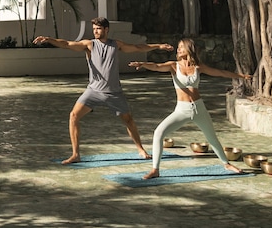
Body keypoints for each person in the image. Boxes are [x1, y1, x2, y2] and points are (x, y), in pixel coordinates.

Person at [34, 17, 174, 164]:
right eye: (94, 29)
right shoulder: (89, 45)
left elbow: (138, 47)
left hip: (114, 93)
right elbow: (67, 44)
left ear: (106, 30)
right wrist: (49, 40)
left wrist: (158, 46)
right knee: (73, 115)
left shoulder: (116, 44)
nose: (95, 31)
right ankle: (75, 154)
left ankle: (141, 149)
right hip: (93, 92)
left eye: (98, 29)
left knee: (128, 120)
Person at [129, 38, 252, 179]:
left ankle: (226, 164)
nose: (178, 49)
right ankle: (155, 169)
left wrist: (241, 76)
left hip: (199, 108)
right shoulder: (173, 66)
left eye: (182, 47)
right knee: (158, 132)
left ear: (189, 49)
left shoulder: (198, 67)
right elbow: (157, 66)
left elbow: (220, 72)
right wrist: (143, 64)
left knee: (212, 138)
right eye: (178, 47)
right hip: (182, 110)